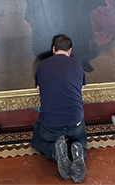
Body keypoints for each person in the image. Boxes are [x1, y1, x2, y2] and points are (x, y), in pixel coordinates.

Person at [31, 35, 87, 183]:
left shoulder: (41, 65)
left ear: (54, 49)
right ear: (70, 50)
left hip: (50, 125)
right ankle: (79, 151)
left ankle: (55, 152)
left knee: (36, 142)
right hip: (75, 123)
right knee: (81, 138)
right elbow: (80, 91)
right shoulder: (77, 65)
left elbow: (39, 90)